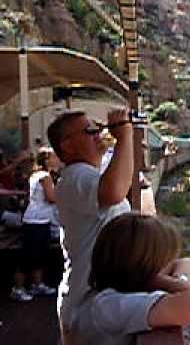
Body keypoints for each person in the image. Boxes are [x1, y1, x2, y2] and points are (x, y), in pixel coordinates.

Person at [47, 108, 133, 344]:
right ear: (68, 146)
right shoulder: (76, 175)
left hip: (91, 303)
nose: (99, 134)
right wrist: (125, 136)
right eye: (90, 131)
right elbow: (115, 191)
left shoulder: (84, 176)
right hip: (89, 307)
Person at [72, 212, 190, 344]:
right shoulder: (109, 306)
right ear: (146, 268)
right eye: (166, 262)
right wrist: (160, 281)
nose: (171, 265)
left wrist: (176, 281)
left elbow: (188, 263)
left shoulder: (104, 297)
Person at [10, 149, 59, 302]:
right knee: (28, 257)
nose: (57, 159)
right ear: (46, 160)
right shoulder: (45, 176)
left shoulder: (36, 175)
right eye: (54, 157)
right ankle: (17, 289)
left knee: (39, 255)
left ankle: (37, 284)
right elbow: (52, 198)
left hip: (39, 220)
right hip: (35, 221)